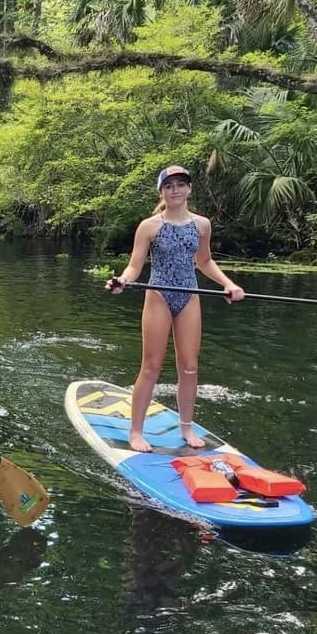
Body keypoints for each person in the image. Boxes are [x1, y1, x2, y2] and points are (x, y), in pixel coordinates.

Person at [107, 165, 244, 452]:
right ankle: (135, 432)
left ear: (190, 190)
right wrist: (122, 281)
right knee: (152, 366)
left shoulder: (202, 225)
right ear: (161, 192)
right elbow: (135, 266)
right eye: (169, 186)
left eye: (181, 184)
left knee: (190, 367)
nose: (175, 190)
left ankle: (186, 430)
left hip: (189, 296)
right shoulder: (149, 226)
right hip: (159, 295)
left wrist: (228, 284)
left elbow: (204, 262)